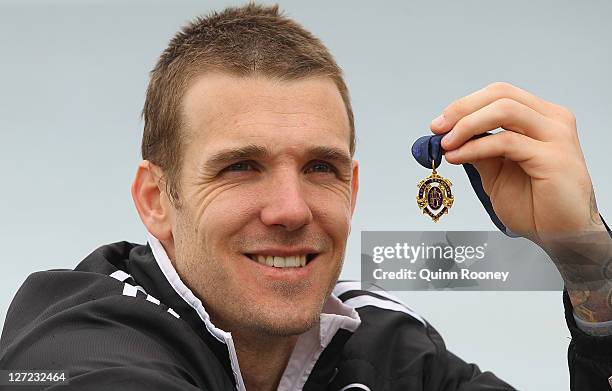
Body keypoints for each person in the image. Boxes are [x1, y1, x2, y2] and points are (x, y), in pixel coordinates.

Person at [1, 3, 611, 390]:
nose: (291, 210)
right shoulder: (76, 344)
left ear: (352, 189)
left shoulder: (384, 343)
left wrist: (588, 262)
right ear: (157, 199)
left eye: (320, 167)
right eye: (241, 167)